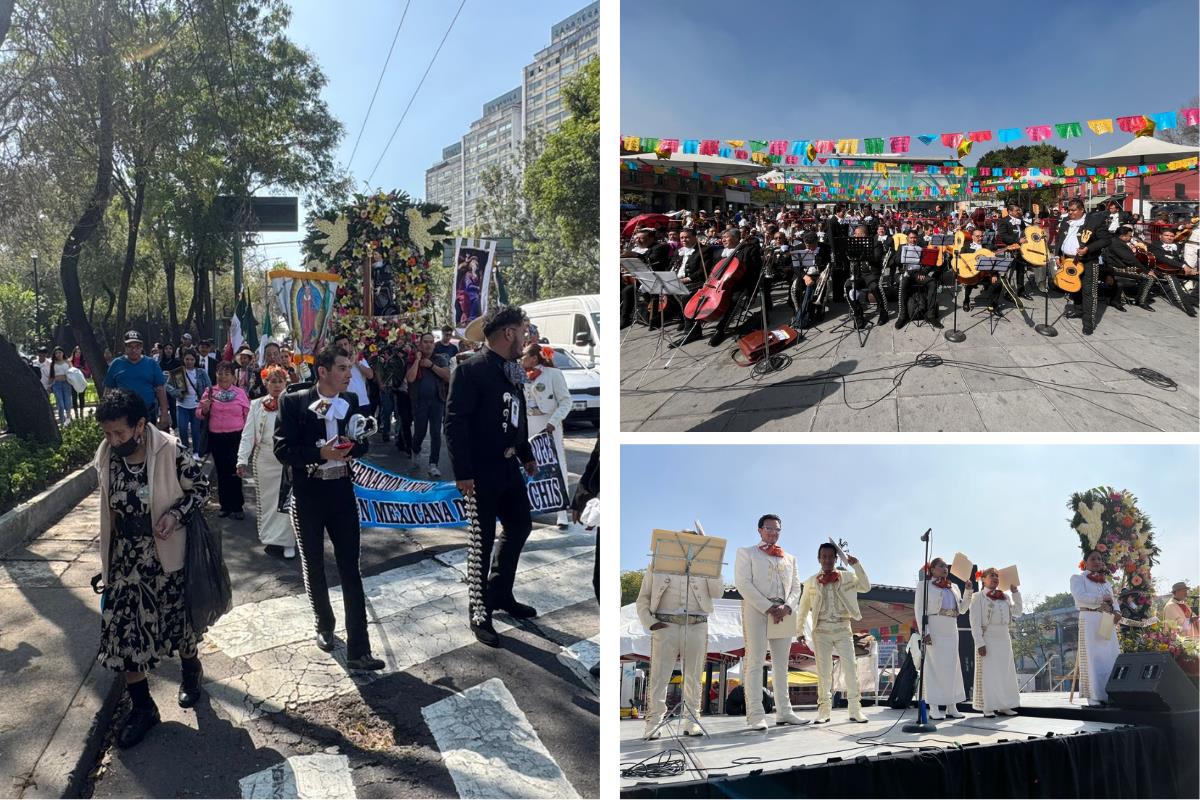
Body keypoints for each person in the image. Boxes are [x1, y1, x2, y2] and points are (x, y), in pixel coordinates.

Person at [94, 388, 209, 748]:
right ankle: (144, 708)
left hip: (165, 557)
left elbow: (201, 488)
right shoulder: (107, 456)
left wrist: (176, 516)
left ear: (140, 425)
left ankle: (191, 669)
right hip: (126, 560)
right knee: (124, 636)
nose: (113, 441)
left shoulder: (171, 450)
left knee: (177, 626)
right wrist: (107, 561)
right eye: (108, 434)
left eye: (121, 434)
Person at [273, 345, 383, 671]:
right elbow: (283, 450)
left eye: (349, 367)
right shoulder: (293, 401)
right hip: (308, 494)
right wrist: (322, 454)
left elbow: (362, 443)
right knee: (314, 563)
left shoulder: (349, 402)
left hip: (341, 491)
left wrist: (355, 447)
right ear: (323, 371)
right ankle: (324, 624)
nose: (349, 373)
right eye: (342, 368)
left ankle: (359, 649)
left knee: (351, 567)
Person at [444, 306, 538, 648]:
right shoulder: (471, 370)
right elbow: (455, 424)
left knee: (520, 526)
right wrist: (463, 472)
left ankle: (499, 592)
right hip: (480, 472)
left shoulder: (510, 369)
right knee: (480, 542)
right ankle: (479, 612)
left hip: (509, 467)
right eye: (522, 331)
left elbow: (518, 416)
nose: (526, 338)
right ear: (508, 334)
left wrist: (525, 453)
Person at [636, 530, 724, 740]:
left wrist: (713, 564)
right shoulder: (657, 565)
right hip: (665, 624)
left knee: (693, 676)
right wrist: (650, 623)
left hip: (697, 624)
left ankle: (692, 720)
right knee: (659, 676)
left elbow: (718, 592)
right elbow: (643, 599)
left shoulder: (707, 567)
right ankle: (654, 721)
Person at [734, 514, 803, 730]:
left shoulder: (790, 558)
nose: (773, 533)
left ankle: (785, 711)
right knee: (754, 660)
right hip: (757, 610)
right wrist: (767, 606)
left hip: (784, 612)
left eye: (777, 530)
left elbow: (796, 587)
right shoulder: (747, 552)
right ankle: (755, 714)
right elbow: (743, 583)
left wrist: (787, 607)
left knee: (782, 665)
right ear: (760, 530)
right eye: (769, 528)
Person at [796, 543, 871, 724]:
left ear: (836, 559)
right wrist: (799, 630)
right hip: (820, 630)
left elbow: (866, 586)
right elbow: (803, 607)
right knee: (823, 672)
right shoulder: (811, 581)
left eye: (831, 556)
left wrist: (856, 565)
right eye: (824, 556)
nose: (827, 560)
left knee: (850, 669)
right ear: (819, 558)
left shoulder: (847, 577)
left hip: (842, 627)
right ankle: (824, 711)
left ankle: (855, 709)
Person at [236, 366, 295, 558]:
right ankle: (272, 538)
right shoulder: (256, 405)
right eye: (272, 381)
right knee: (269, 501)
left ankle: (289, 542)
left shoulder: (293, 403)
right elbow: (248, 434)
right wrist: (241, 460)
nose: (277, 385)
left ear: (286, 383)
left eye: (280, 381)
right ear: (265, 383)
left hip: (286, 460)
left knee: (287, 500)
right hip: (264, 459)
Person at [520, 343, 572, 528]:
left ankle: (562, 512)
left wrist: (553, 422)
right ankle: (528, 506)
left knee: (556, 465)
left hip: (549, 424)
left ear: (534, 357)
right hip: (528, 424)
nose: (521, 359)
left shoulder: (553, 374)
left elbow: (566, 402)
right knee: (527, 465)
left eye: (524, 356)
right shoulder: (520, 375)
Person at [914, 557, 972, 719]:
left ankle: (951, 706)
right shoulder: (924, 585)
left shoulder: (953, 586)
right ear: (932, 569)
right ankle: (933, 707)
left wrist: (968, 591)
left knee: (952, 667)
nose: (944, 568)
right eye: (940, 566)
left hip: (951, 627)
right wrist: (924, 632)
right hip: (934, 626)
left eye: (946, 566)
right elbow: (919, 610)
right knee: (934, 667)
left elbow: (962, 609)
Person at [197, 362, 249, 519]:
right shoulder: (210, 392)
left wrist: (249, 436)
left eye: (227, 374)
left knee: (235, 470)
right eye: (220, 373)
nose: (223, 377)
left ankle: (237, 506)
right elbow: (199, 413)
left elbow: (247, 414)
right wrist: (205, 408)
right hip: (216, 437)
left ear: (233, 377)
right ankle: (225, 505)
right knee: (222, 471)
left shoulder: (240, 393)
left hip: (235, 437)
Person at [1070, 549, 1122, 706]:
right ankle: (1094, 696)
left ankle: (1110, 694)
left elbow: (1113, 601)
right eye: (1093, 558)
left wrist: (1117, 611)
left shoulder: (1106, 582)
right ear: (1085, 562)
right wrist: (1101, 599)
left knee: (1110, 655)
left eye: (1099, 559)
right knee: (1093, 657)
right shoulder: (1078, 578)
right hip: (1090, 618)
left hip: (1107, 620)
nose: (1097, 561)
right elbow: (1080, 597)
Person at [969, 567, 1022, 718]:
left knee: (1005, 672)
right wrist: (979, 643)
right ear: (983, 579)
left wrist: (1015, 593)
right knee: (989, 674)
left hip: (1004, 637)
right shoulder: (978, 597)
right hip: (988, 637)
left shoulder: (1004, 596)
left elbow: (1017, 612)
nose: (995, 578)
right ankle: (988, 706)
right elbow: (974, 622)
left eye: (997, 576)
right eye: (991, 575)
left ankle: (1005, 705)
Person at [1056, 198, 1111, 336]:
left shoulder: (1094, 222)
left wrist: (1088, 248)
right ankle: (1079, 310)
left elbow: (1106, 240)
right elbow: (1060, 239)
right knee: (1074, 288)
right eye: (1069, 210)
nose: (1071, 213)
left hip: (1088, 261)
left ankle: (1088, 323)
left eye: (1074, 210)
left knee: (1088, 292)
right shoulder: (1065, 221)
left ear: (1082, 210)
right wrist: (1057, 255)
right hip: (1068, 260)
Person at [105, 331, 171, 431]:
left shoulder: (151, 364)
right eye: (130, 346)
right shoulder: (116, 364)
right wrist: (106, 413)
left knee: (147, 444)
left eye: (137, 346)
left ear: (141, 347)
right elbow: (108, 390)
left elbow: (160, 389)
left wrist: (164, 413)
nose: (134, 349)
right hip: (123, 415)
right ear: (125, 347)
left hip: (147, 413)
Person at [406, 332, 451, 478]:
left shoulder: (439, 359)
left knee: (436, 433)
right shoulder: (413, 359)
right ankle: (416, 449)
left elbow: (448, 376)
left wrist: (431, 366)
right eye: (425, 342)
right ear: (419, 344)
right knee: (420, 431)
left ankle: (433, 464)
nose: (428, 344)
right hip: (420, 402)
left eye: (431, 342)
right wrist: (418, 361)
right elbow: (410, 379)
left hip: (437, 401)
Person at [1100, 226, 1154, 312]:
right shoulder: (1117, 244)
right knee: (1149, 278)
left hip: (1118, 266)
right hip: (1116, 268)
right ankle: (1141, 301)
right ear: (1122, 236)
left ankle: (1137, 298)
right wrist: (1146, 271)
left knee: (1147, 274)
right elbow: (1130, 259)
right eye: (1130, 236)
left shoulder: (1115, 241)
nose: (1131, 237)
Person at [1147, 228, 1197, 316]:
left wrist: (1189, 268)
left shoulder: (1176, 245)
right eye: (1166, 235)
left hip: (1178, 270)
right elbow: (1162, 258)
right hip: (1161, 271)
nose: (1169, 238)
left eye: (1172, 236)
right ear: (1160, 236)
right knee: (1172, 279)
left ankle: (1194, 299)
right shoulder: (1154, 245)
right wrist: (1183, 266)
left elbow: (1181, 260)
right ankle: (1188, 308)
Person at [174, 349, 210, 460]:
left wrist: (205, 400)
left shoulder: (201, 372)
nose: (189, 362)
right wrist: (176, 392)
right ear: (183, 360)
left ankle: (196, 451)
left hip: (196, 405)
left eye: (192, 359)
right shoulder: (178, 372)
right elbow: (167, 386)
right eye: (187, 359)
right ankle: (185, 449)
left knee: (195, 430)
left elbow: (208, 386)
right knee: (183, 428)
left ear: (195, 360)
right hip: (182, 405)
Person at [333, 335, 374, 414]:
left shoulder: (359, 359)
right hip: (344, 403)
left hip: (362, 402)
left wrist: (357, 362)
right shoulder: (334, 362)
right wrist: (351, 362)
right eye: (340, 345)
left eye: (345, 344)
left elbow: (370, 375)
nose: (343, 347)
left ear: (350, 345)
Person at [158, 343, 181, 430]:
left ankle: (175, 426)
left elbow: (180, 378)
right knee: (163, 408)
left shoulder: (177, 362)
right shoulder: (160, 363)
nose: (168, 350)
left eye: (170, 348)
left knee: (173, 408)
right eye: (166, 348)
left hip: (174, 390)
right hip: (163, 389)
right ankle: (164, 427)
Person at [49, 346, 73, 425]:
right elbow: (51, 376)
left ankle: (68, 420)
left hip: (67, 384)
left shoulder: (68, 362)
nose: (58, 354)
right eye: (56, 353)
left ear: (63, 353)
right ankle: (62, 421)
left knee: (68, 402)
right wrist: (49, 385)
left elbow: (73, 372)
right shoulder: (53, 364)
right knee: (60, 404)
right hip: (57, 385)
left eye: (60, 352)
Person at [71, 345, 91, 420]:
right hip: (73, 382)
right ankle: (76, 414)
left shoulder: (84, 361)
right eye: (76, 352)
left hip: (82, 381)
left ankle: (81, 413)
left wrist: (82, 370)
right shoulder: (70, 361)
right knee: (74, 397)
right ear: (74, 352)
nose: (78, 354)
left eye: (79, 352)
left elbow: (88, 372)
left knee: (81, 397)